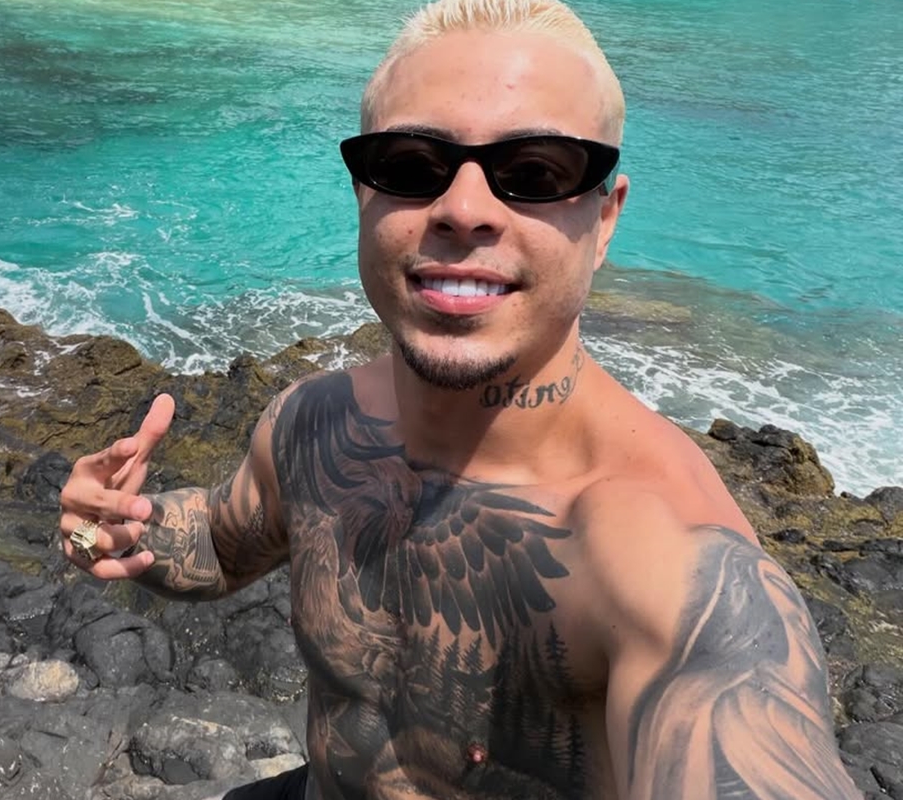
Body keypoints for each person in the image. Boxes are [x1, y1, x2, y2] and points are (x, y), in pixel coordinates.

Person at [58, 0, 861, 797]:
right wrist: (121, 526)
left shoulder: (675, 566)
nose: (464, 210)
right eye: (411, 166)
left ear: (606, 218)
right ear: (363, 194)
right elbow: (222, 545)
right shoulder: (313, 424)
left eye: (536, 173)